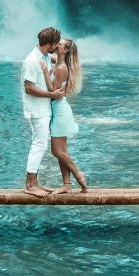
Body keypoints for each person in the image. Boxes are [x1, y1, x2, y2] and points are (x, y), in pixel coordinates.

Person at [21, 27, 65, 197]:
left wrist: (62, 53)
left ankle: (34, 182)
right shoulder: (32, 61)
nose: (56, 46)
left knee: (40, 144)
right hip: (37, 109)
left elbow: (61, 60)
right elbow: (29, 88)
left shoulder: (45, 56)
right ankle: (29, 185)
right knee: (39, 145)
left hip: (43, 108)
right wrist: (52, 94)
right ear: (48, 44)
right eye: (55, 44)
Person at [40, 38, 87, 194]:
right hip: (57, 110)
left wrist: (46, 72)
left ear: (65, 50)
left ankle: (78, 174)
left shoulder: (61, 68)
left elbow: (54, 91)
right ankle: (66, 185)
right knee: (62, 151)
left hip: (59, 111)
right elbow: (46, 55)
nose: (55, 45)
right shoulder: (58, 61)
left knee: (57, 151)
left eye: (59, 44)